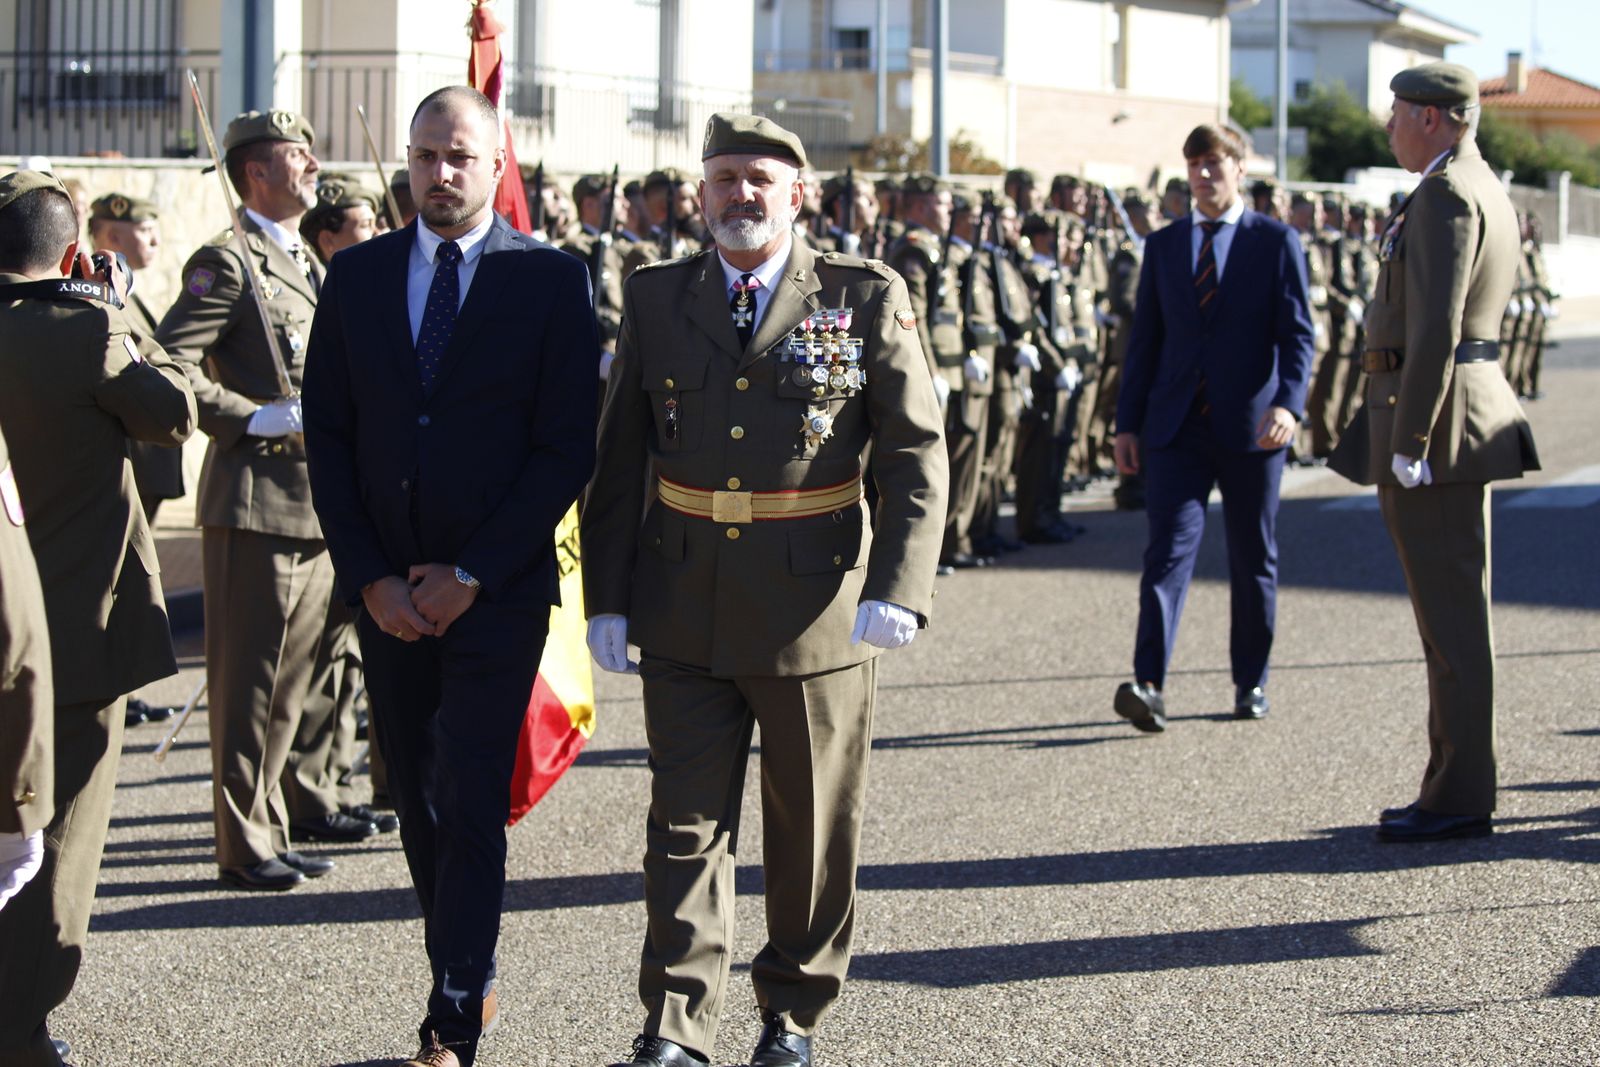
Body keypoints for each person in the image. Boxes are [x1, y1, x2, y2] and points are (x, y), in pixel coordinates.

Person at [582, 113, 947, 1067]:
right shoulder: (658, 297)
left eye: (758, 178)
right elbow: (619, 457)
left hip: (815, 607)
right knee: (684, 825)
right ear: (699, 193)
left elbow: (915, 450)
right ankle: (675, 1022)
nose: (739, 194)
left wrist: (901, 581)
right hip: (680, 600)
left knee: (810, 827)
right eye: (723, 177)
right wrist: (606, 595)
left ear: (797, 193)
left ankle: (791, 1011)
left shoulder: (865, 295)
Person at [303, 85, 598, 1067]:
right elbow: (332, 439)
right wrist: (374, 578)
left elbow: (565, 447)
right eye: (425, 155)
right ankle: (458, 956)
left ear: (496, 159)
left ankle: (454, 1008)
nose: (440, 173)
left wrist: (471, 569)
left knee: (471, 791)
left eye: (459, 157)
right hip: (389, 594)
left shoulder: (552, 279)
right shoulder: (356, 278)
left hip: (496, 589)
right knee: (417, 797)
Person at [0, 168, 196, 1067]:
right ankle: (18, 1027)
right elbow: (174, 410)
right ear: (72, 250)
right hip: (71, 636)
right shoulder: (86, 330)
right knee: (58, 848)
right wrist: (120, 311)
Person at [156, 108, 379, 894]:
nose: (313, 164)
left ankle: (282, 815)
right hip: (259, 502)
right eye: (298, 154)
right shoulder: (226, 260)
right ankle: (241, 841)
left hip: (317, 502)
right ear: (257, 171)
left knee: (302, 679)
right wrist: (247, 414)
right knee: (253, 684)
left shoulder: (303, 260)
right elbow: (169, 360)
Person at [1329, 63, 1539, 842]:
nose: (1387, 125)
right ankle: (1451, 784)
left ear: (1431, 117)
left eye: (1395, 112)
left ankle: (1457, 797)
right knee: (1450, 627)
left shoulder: (1449, 194)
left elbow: (1437, 330)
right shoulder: (1469, 184)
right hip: (1447, 424)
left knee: (1451, 630)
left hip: (1441, 431)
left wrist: (1411, 439)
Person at [1111, 123, 1315, 732]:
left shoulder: (1275, 242)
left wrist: (1289, 404)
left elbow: (1298, 336)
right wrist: (1128, 423)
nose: (1204, 175)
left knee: (1253, 558)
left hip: (1254, 429)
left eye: (1215, 163)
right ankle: (1148, 684)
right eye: (1195, 164)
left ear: (1240, 167)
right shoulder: (1166, 245)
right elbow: (1144, 340)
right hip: (1176, 428)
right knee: (1165, 556)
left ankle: (1250, 680)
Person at [86, 191, 186, 730]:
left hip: (146, 455)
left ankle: (127, 690)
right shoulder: (98, 297)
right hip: (128, 456)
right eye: (143, 232)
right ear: (112, 237)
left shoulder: (132, 294)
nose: (153, 240)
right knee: (116, 585)